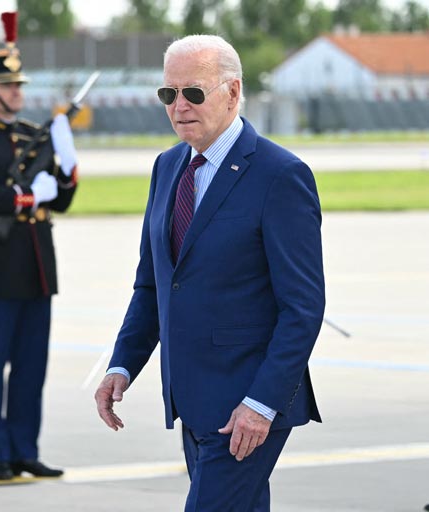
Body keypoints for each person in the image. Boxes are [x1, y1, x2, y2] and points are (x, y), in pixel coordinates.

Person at [94, 34, 325, 511]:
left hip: (246, 405)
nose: (179, 106)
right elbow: (154, 284)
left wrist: (261, 403)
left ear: (233, 91)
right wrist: (122, 364)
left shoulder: (280, 175)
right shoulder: (167, 167)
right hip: (192, 400)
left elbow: (302, 307)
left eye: (194, 92)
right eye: (169, 93)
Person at [0, 11, 79, 481]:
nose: (16, 92)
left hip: (36, 263)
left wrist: (67, 167)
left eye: (18, 85)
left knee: (31, 365)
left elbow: (62, 201)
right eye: (7, 86)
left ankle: (25, 448)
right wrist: (28, 195)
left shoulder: (34, 135)